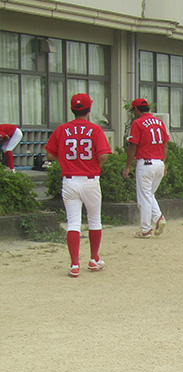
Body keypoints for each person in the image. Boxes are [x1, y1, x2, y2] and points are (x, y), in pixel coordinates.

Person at [45, 94, 112, 278]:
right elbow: (103, 156)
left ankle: (74, 264)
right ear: (89, 109)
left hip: (70, 180)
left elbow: (50, 155)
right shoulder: (95, 129)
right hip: (90, 180)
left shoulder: (62, 129)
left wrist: (66, 158)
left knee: (73, 222)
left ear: (72, 109)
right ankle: (93, 259)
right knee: (94, 220)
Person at [123, 98, 169, 238]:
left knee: (144, 197)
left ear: (137, 109)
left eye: (134, 110)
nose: (133, 113)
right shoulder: (159, 122)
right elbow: (165, 144)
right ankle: (158, 218)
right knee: (149, 194)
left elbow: (133, 146)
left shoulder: (137, 123)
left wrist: (128, 167)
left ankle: (145, 229)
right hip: (159, 163)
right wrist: (163, 162)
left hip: (146, 164)